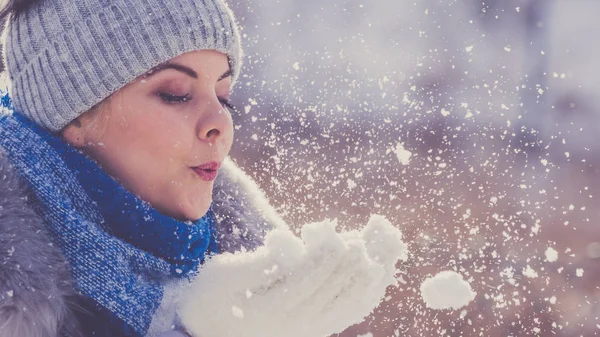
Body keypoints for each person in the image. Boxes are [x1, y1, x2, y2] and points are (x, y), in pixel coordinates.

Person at [0, 0, 281, 336]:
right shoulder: (15, 308)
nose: (221, 122)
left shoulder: (251, 286)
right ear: (74, 116)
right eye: (175, 94)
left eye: (224, 98)